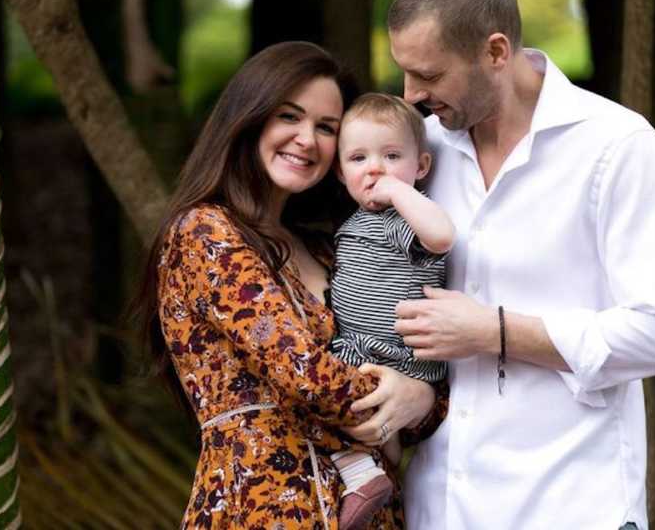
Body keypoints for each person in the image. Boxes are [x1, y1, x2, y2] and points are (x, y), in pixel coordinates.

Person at [382, 0, 655, 530]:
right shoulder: (417, 149)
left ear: (496, 53)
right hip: (440, 506)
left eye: (429, 76)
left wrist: (496, 331)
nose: (412, 95)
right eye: (405, 73)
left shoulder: (615, 146)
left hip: (572, 502)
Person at [132, 42, 436, 529]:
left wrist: (422, 399)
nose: (306, 140)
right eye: (289, 117)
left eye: (326, 128)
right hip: (262, 506)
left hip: (369, 511)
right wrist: (412, 396)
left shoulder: (329, 248)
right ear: (250, 118)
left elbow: (403, 349)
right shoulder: (205, 233)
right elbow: (304, 373)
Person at [326, 93, 455, 529]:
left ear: (420, 167)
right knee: (336, 409)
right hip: (360, 349)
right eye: (358, 158)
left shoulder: (405, 219)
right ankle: (369, 477)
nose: (374, 168)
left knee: (349, 407)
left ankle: (366, 473)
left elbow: (441, 236)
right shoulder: (352, 223)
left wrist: (400, 191)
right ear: (341, 172)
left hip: (397, 355)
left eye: (392, 156)